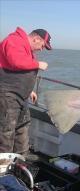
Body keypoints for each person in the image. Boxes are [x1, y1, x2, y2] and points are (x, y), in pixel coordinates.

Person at [0, 27, 52, 156]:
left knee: (22, 127)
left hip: (21, 96)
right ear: (36, 39)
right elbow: (16, 62)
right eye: (43, 46)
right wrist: (38, 64)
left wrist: (29, 91)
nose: (41, 49)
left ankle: (21, 160)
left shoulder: (24, 47)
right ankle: (3, 168)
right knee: (6, 131)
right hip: (8, 95)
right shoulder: (14, 40)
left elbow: (20, 71)